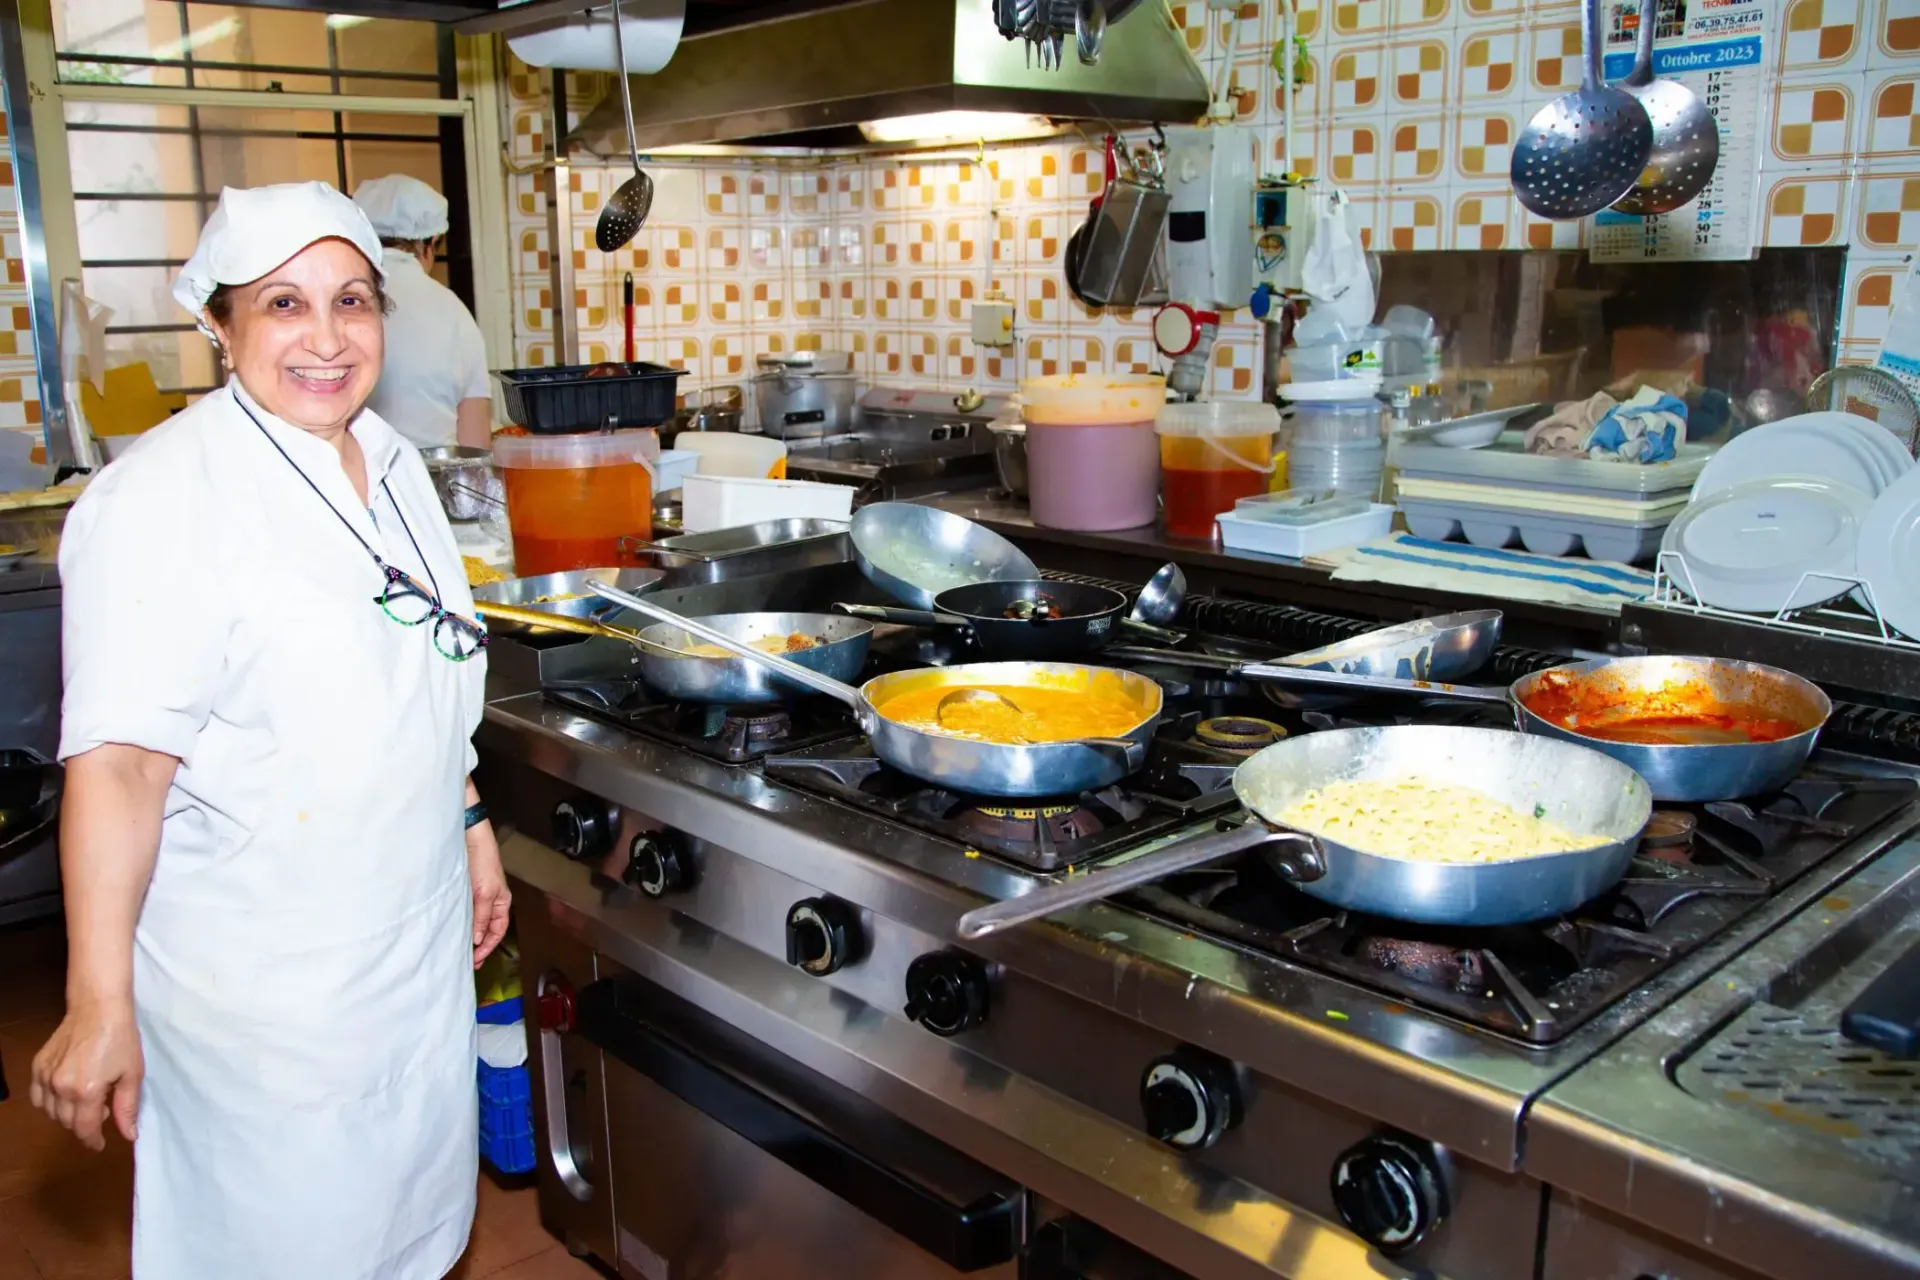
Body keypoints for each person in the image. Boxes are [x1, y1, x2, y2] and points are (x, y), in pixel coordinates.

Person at [30, 180, 509, 1280]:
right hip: (265, 986)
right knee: (283, 1243)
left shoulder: (393, 469)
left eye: (353, 300)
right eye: (284, 305)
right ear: (219, 321)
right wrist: (98, 998)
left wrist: (469, 815)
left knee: (410, 1229)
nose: (329, 338)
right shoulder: (163, 498)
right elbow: (119, 765)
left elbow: (420, 670)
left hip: (408, 946)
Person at [352, 173, 493, 451]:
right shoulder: (454, 311)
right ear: (428, 244)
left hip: (354, 481)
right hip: (434, 485)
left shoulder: (344, 302)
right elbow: (474, 447)